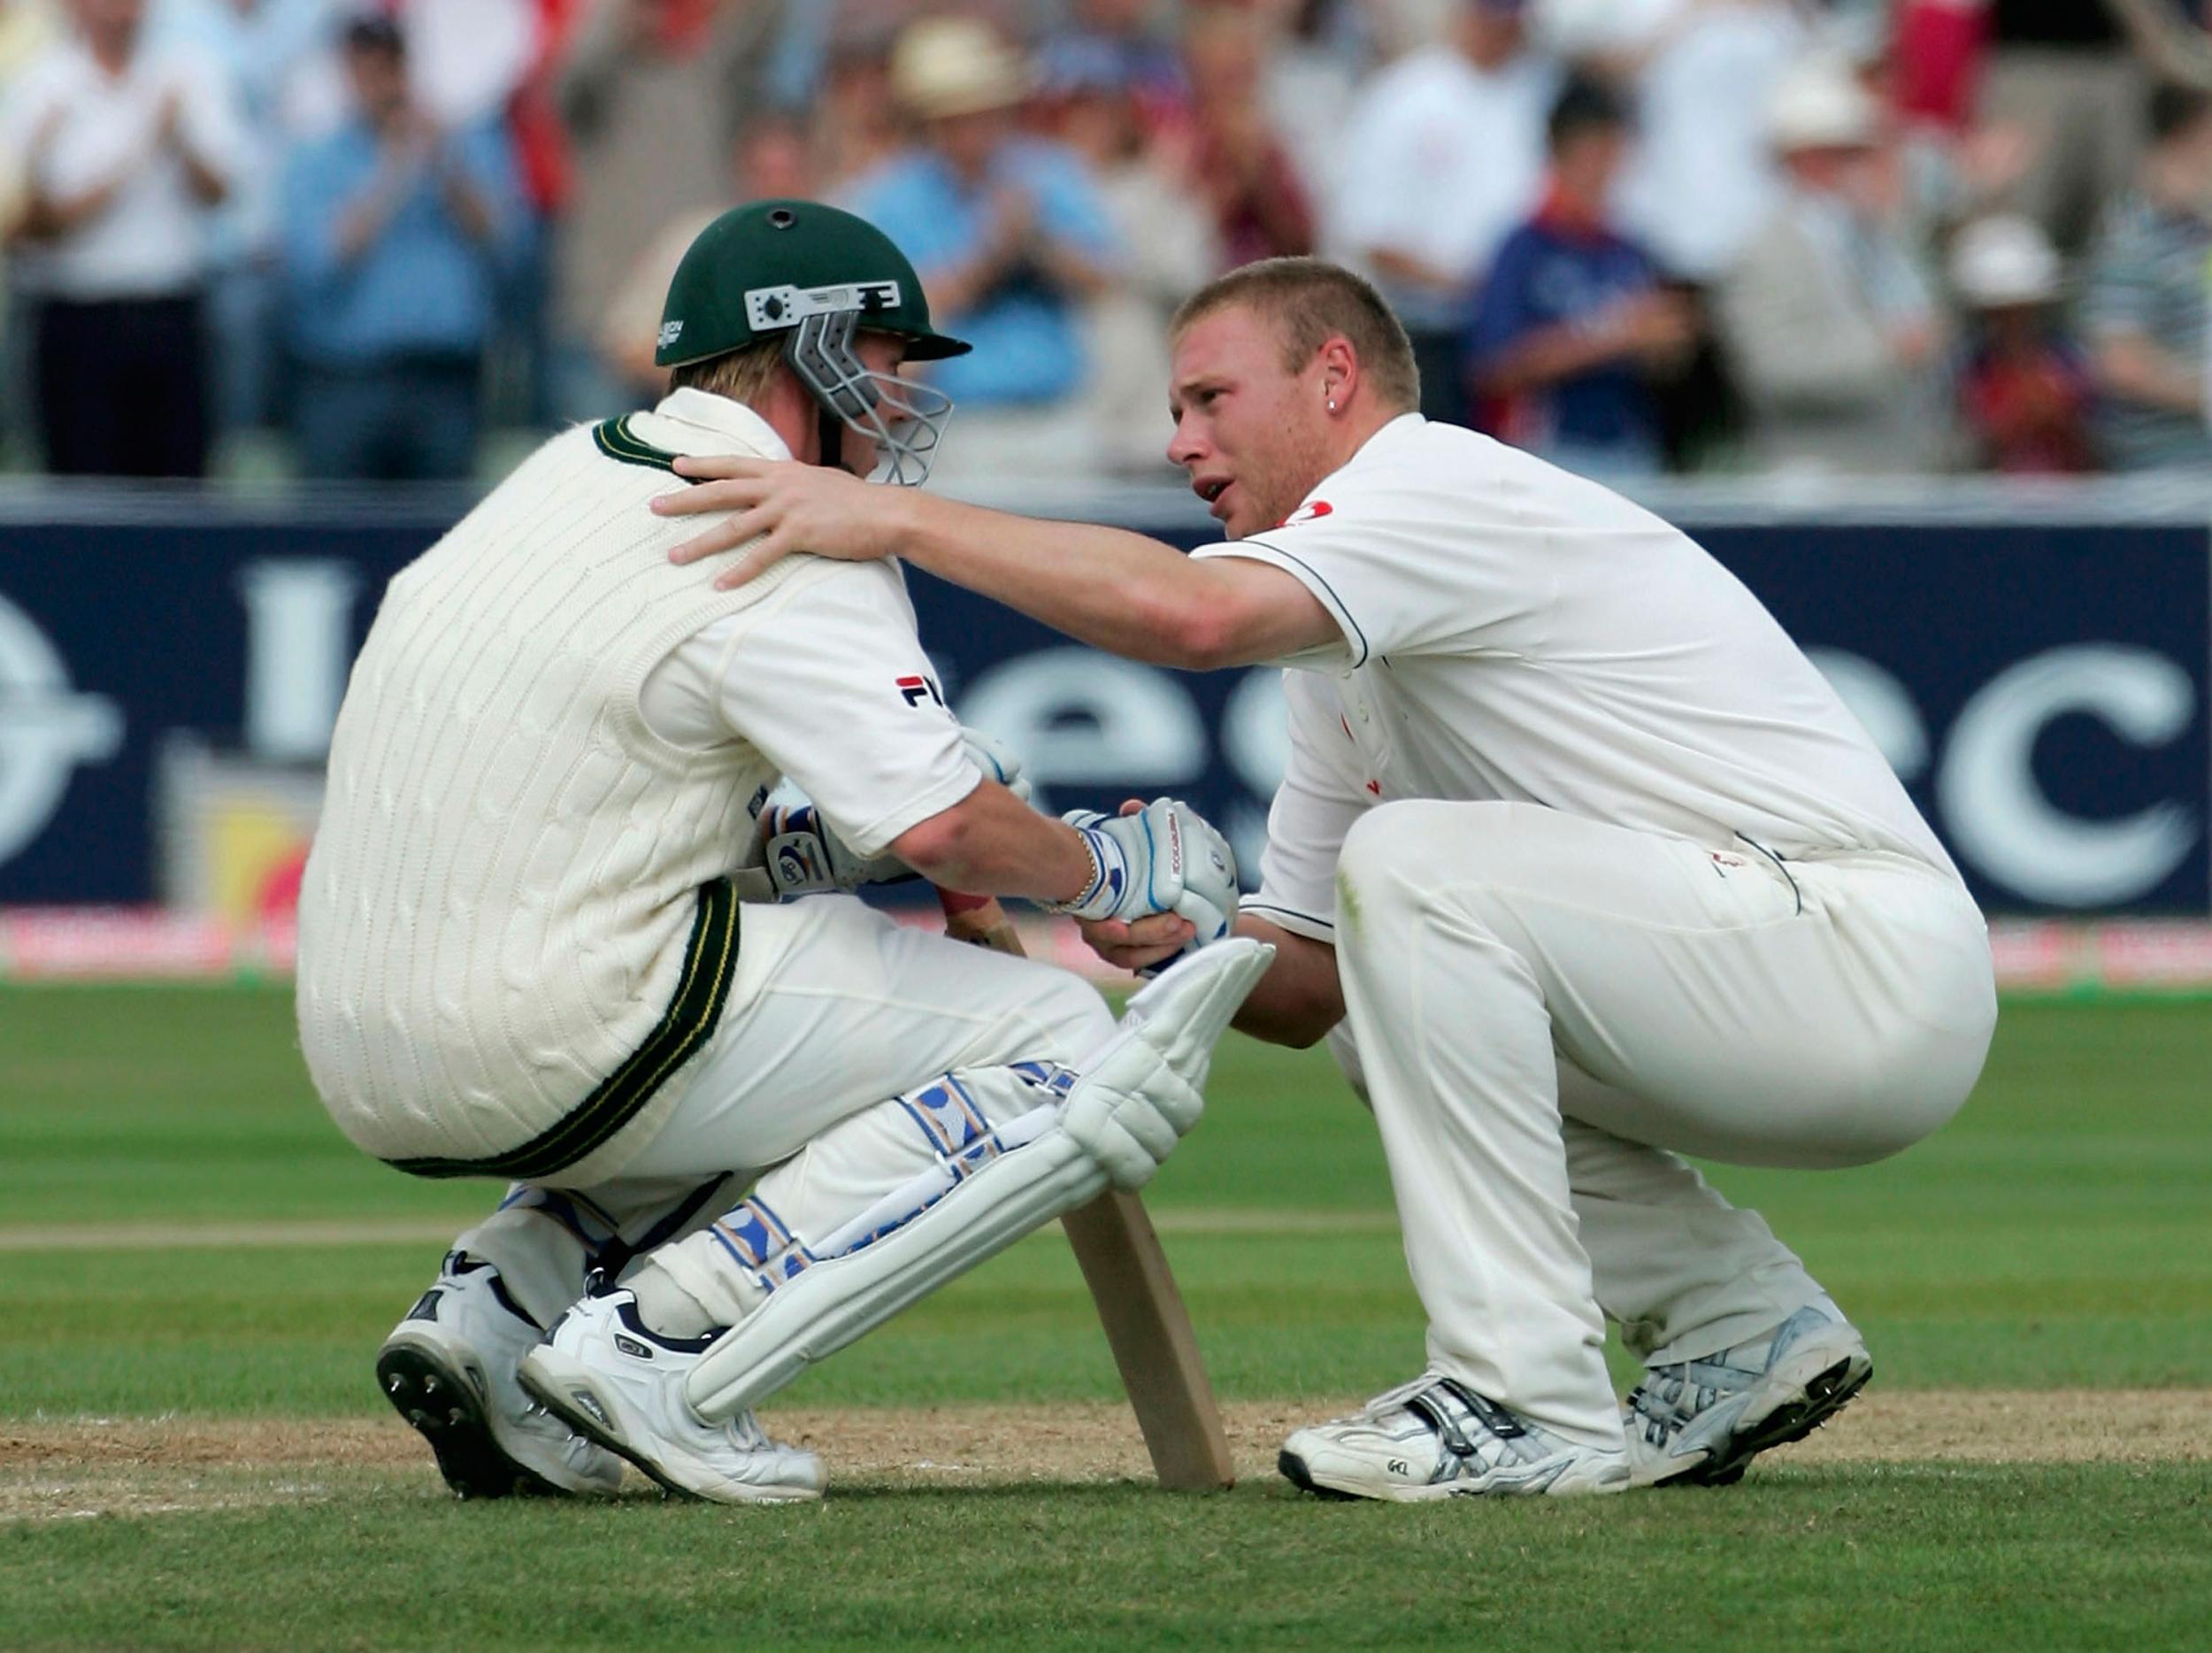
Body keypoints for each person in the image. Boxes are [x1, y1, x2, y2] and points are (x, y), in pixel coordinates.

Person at [653, 255, 1998, 1502]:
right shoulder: (1336, 649)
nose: (1180, 442)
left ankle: (1524, 1397)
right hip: (1776, 976)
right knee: (1380, 979)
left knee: (1407, 869)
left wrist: (883, 514)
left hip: (1860, 957)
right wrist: (1143, 907)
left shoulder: (1436, 483)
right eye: (1174, 410)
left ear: (1335, 377)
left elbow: (1195, 614)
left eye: (1211, 399)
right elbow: (1303, 990)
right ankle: (1734, 1322)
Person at [295, 197, 1266, 1507]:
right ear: (815, 352)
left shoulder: (558, 475)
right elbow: (940, 821)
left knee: (801, 1029)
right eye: (888, 356)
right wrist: (1104, 871)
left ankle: (497, 1308)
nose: (902, 393)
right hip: (556, 1021)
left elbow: (626, 805)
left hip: (361, 1038)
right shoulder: (789, 525)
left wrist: (845, 851)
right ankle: (665, 1341)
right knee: (1059, 1039)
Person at [844, 15, 1122, 486]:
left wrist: (1038, 245)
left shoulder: (1047, 171)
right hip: (958, 424)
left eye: (983, 109)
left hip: (1057, 415)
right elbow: (904, 311)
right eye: (957, 114)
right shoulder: (894, 195)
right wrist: (992, 252)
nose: (975, 127)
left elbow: (1104, 278)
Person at [1, 0, 243, 476]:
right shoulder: (42, 85)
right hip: (76, 311)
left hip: (169, 306)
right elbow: (22, 227)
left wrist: (179, 136)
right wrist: (137, 149)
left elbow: (221, 191)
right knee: (84, 482)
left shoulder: (187, 72)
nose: (122, 11)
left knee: (178, 482)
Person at [275, 14, 519, 481]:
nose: (380, 85)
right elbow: (317, 264)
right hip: (347, 378)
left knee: (445, 521)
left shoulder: (463, 145)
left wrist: (446, 163)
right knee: (340, 521)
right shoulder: (314, 158)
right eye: (366, 71)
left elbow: (504, 244)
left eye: (390, 67)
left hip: (444, 377)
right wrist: (394, 169)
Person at [1325, 0, 1554, 427]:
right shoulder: (1405, 94)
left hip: (1517, 336)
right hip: (1422, 330)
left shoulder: (1539, 92)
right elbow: (1372, 231)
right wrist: (1471, 285)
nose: (1500, 29)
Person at [1716, 57, 1948, 475]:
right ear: (1807, 159)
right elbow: (1776, 371)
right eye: (1851, 153)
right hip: (1821, 477)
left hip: (1905, 471)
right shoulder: (1763, 254)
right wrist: (1890, 350)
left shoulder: (1885, 238)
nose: (1871, 165)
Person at [1464, 75, 1693, 481]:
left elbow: (1664, 366)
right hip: (1546, 453)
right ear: (1561, 155)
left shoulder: (1629, 250)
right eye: (1594, 153)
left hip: (1630, 446)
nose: (1606, 169)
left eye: (1613, 152)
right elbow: (1493, 367)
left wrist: (1667, 343)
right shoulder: (1523, 249)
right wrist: (1617, 335)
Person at [2079, 82, 2212, 474]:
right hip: (2167, 476)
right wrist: (2203, 391)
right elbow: (2119, 362)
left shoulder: (2200, 232)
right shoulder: (2133, 235)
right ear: (2184, 138)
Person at [1949, 212, 2093, 475]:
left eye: (2020, 309)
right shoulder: (1970, 364)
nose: (2012, 319)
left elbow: (2085, 422)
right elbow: (1974, 433)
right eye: (2000, 311)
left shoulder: (2064, 355)